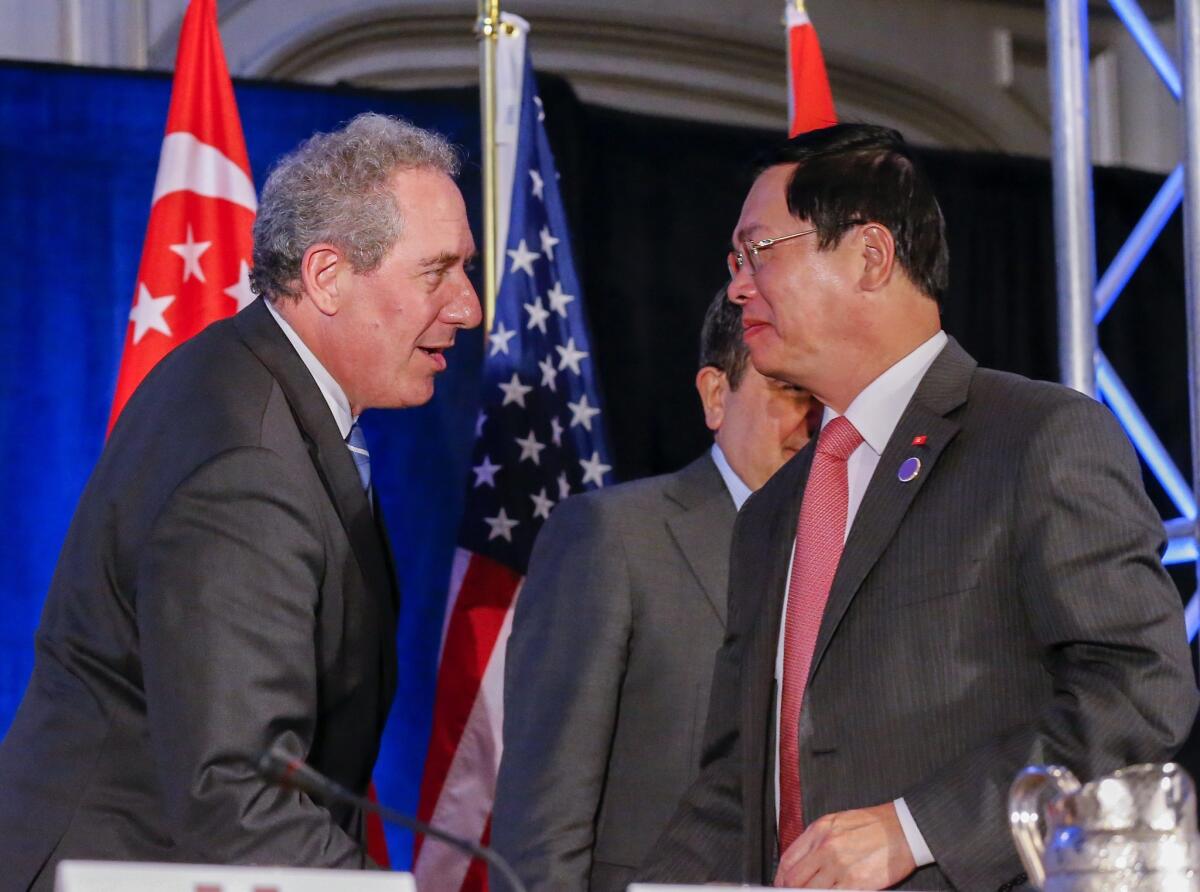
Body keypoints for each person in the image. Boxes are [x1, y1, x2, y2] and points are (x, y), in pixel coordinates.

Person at [639, 123, 1199, 891]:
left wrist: (918, 828)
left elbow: (1138, 691)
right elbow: (737, 789)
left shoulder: (1036, 437)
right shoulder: (772, 512)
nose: (737, 287)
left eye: (758, 253)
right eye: (735, 263)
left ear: (870, 256)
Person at [0, 113, 480, 888]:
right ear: (326, 276)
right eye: (438, 272)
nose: (467, 307)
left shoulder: (257, 386)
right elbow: (239, 795)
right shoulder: (249, 460)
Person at [492, 288, 817, 891]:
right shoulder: (612, 538)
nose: (812, 422)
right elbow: (544, 818)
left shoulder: (853, 555)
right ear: (717, 396)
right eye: (790, 390)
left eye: (825, 398)